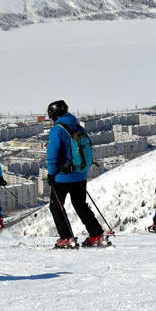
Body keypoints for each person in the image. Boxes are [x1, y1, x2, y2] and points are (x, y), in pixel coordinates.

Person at [45, 100, 106, 248]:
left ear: (54, 114)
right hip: (80, 174)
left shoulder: (57, 130)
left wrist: (51, 173)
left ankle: (66, 238)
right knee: (80, 205)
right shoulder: (79, 127)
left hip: (62, 176)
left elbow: (52, 154)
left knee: (56, 206)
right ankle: (96, 236)